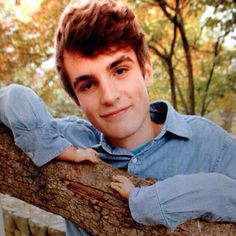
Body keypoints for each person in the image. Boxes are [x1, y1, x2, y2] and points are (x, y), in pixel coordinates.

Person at [0, 0, 235, 235]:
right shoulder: (71, 141)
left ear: (146, 71)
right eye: (89, 84)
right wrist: (49, 146)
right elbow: (10, 97)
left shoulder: (208, 142)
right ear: (76, 101)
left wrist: (149, 199)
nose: (110, 97)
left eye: (120, 70)